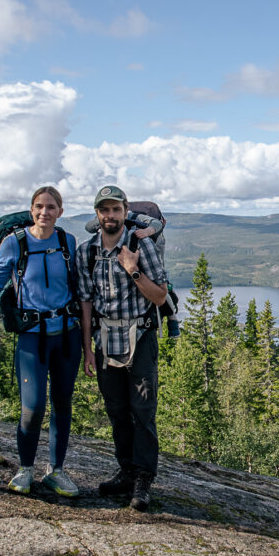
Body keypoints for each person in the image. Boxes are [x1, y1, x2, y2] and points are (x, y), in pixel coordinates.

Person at [0, 185, 91, 496]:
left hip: (66, 336)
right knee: (33, 406)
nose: (45, 212)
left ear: (60, 212)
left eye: (51, 207)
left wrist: (87, 344)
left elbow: (81, 292)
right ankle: (26, 468)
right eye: (39, 206)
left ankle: (56, 471)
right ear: (31, 210)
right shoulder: (14, 244)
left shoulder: (67, 241)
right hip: (31, 338)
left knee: (62, 404)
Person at [76, 185, 168, 511]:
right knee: (116, 410)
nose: (110, 215)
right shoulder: (86, 251)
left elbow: (159, 296)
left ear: (125, 211)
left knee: (143, 410)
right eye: (104, 210)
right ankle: (126, 471)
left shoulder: (141, 246)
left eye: (116, 209)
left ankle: (143, 478)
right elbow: (86, 302)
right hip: (105, 340)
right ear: (97, 214)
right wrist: (88, 348)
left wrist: (133, 270)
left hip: (140, 337)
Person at [84, 204, 180, 338]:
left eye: (116, 210)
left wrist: (147, 231)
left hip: (143, 250)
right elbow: (89, 227)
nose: (112, 215)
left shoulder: (134, 216)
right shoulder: (105, 219)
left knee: (160, 283)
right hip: (122, 250)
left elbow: (156, 223)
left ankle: (172, 319)